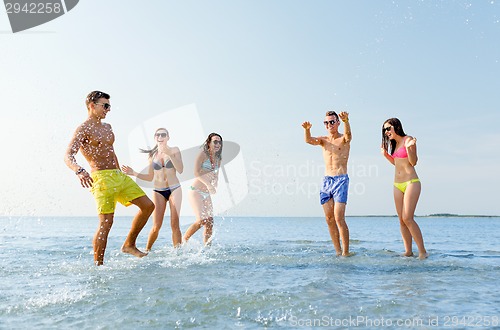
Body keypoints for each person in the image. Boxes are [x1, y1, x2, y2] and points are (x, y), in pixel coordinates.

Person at [64, 91, 155, 266]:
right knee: (106, 222)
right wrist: (79, 170)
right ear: (92, 105)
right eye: (105, 106)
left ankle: (129, 244)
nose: (108, 109)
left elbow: (111, 152)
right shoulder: (83, 129)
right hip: (101, 178)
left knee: (148, 206)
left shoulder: (108, 127)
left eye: (109, 106)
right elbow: (68, 155)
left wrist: (120, 171)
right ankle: (99, 266)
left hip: (118, 175)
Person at [121, 128, 184, 250]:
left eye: (163, 134)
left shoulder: (174, 150)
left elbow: (180, 169)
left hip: (174, 189)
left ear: (168, 137)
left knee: (174, 225)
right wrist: (134, 173)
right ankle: (147, 251)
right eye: (158, 134)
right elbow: (150, 177)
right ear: (155, 137)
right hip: (158, 191)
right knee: (156, 226)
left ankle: (178, 254)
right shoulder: (152, 155)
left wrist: (169, 154)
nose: (160, 136)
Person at [302, 111, 353, 257]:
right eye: (326, 122)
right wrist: (307, 130)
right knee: (329, 219)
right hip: (326, 181)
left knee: (338, 217)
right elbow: (308, 140)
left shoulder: (343, 138)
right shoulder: (323, 140)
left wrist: (346, 121)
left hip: (341, 180)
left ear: (337, 123)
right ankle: (337, 251)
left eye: (332, 122)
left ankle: (346, 252)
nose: (329, 125)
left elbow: (349, 136)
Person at [381, 118, 428, 259]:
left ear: (396, 126)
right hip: (397, 184)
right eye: (384, 130)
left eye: (388, 128)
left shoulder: (408, 140)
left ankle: (423, 252)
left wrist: (410, 148)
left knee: (408, 218)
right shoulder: (393, 144)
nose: (387, 132)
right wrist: (386, 155)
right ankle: (408, 251)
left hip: (411, 182)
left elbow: (413, 162)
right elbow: (397, 164)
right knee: (401, 219)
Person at [183, 133, 223, 245]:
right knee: (201, 220)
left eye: (219, 142)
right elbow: (195, 173)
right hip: (195, 191)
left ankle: (207, 249)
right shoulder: (203, 154)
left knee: (210, 222)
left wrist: (215, 183)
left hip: (206, 193)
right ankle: (183, 242)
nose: (218, 144)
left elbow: (216, 174)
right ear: (209, 142)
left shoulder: (218, 158)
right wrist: (208, 184)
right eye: (215, 141)